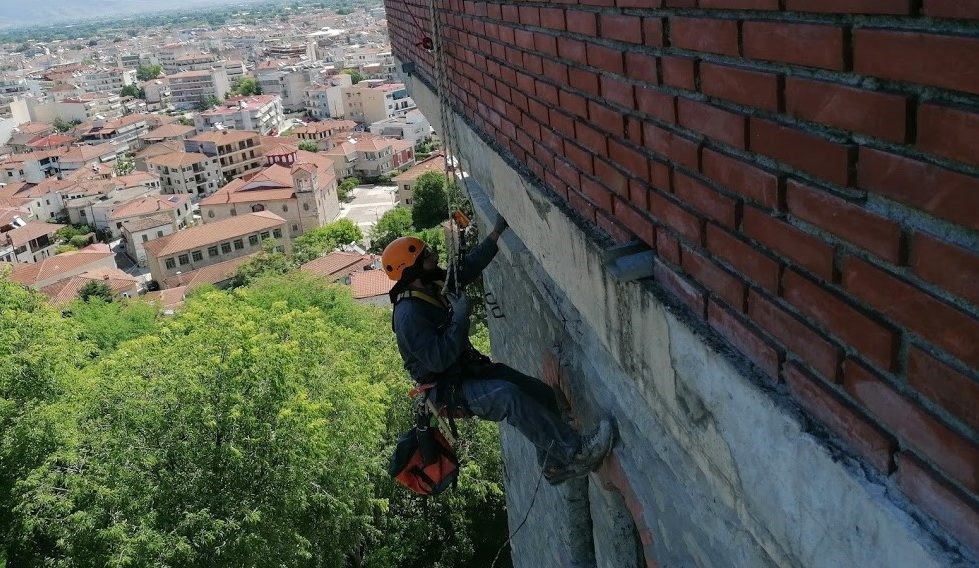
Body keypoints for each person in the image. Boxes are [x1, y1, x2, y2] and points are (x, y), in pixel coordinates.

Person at [382, 215, 615, 484]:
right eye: (426, 256)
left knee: (540, 393)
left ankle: (554, 465)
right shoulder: (409, 314)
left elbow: (463, 271)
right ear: (412, 270)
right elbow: (438, 359)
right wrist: (460, 317)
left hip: (466, 372)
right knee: (508, 397)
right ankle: (576, 453)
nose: (433, 257)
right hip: (449, 390)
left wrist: (495, 234)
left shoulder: (429, 285)